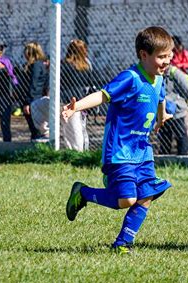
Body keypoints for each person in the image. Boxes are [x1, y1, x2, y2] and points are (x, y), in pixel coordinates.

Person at [62, 27, 174, 254]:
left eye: (169, 56)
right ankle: (83, 193)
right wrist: (76, 107)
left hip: (143, 151)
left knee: (146, 196)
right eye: (161, 57)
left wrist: (162, 117)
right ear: (144, 55)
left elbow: (160, 99)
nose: (167, 62)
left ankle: (123, 243)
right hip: (120, 152)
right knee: (127, 199)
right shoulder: (130, 79)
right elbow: (103, 95)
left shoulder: (159, 79)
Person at [60, 39, 93, 151]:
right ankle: (81, 150)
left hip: (64, 99)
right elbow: (89, 82)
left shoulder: (63, 64)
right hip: (80, 101)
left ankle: (72, 150)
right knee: (80, 129)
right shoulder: (86, 65)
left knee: (67, 130)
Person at [157, 64, 188, 155]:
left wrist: (179, 102)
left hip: (177, 112)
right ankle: (164, 160)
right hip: (163, 111)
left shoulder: (176, 74)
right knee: (164, 137)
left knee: (181, 136)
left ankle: (183, 159)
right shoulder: (157, 74)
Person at [21, 41, 49, 141]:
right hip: (39, 98)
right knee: (38, 128)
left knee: (36, 129)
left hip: (33, 99)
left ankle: (37, 146)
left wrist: (27, 103)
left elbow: (33, 83)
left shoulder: (36, 65)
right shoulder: (42, 65)